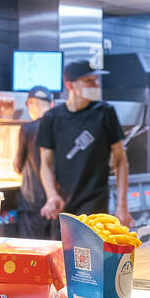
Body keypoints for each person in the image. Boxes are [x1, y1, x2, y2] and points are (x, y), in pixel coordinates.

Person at [39, 60, 132, 234]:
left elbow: (120, 161)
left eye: (95, 80)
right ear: (70, 85)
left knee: (91, 258)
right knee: (61, 258)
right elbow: (45, 163)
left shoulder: (105, 113)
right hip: (63, 206)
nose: (95, 84)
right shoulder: (51, 117)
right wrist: (51, 195)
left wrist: (122, 206)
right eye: (89, 81)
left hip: (95, 205)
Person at [12, 86, 56, 239]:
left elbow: (18, 165)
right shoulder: (61, 127)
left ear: (30, 104)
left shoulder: (27, 129)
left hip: (32, 204)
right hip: (57, 203)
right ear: (52, 105)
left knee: (32, 255)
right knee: (56, 254)